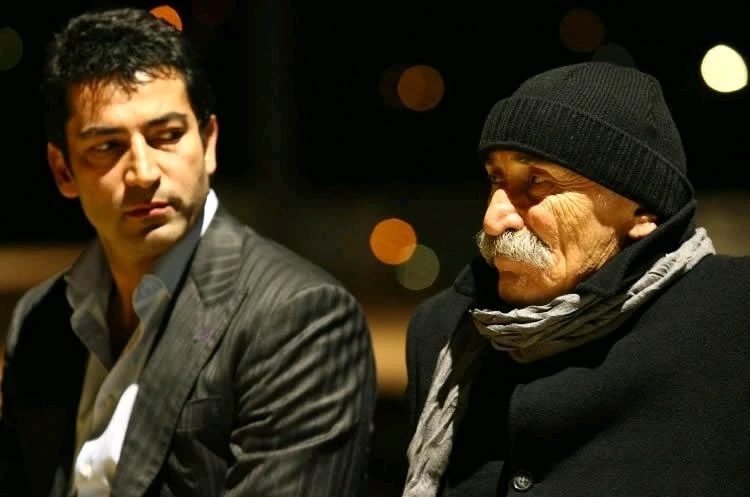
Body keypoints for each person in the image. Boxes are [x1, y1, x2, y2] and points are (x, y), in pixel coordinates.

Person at [0, 7, 377, 497]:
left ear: (209, 142)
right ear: (63, 171)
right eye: (107, 146)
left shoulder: (300, 317)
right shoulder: (41, 319)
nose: (143, 172)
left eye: (167, 136)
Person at [401, 61, 750, 497]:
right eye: (495, 179)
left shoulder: (734, 321)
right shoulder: (443, 331)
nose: (493, 219)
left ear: (641, 209)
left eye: (537, 182)